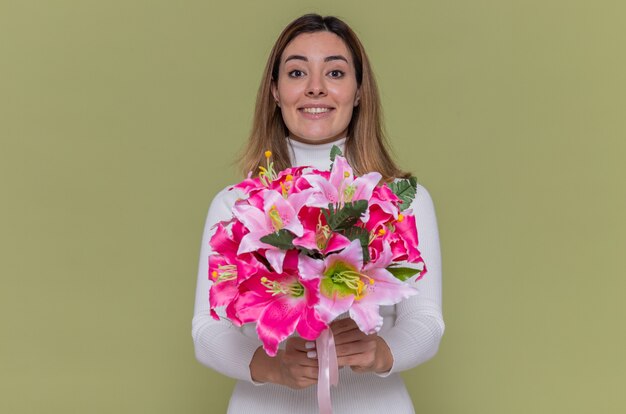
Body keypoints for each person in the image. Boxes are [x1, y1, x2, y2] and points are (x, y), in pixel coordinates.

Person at [192, 14, 444, 414]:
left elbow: (427, 322)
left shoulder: (401, 201)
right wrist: (271, 367)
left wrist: (379, 352)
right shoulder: (237, 204)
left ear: (359, 91)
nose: (315, 88)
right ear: (275, 91)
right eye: (296, 72)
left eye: (335, 72)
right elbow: (207, 330)